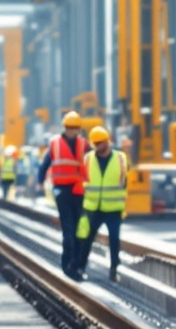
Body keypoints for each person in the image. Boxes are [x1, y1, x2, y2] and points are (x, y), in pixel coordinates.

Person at [77, 125, 128, 281]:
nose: (98, 146)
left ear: (107, 142)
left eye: (101, 142)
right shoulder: (88, 158)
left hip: (113, 208)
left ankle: (114, 269)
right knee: (86, 238)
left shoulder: (120, 158)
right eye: (96, 143)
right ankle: (80, 267)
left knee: (114, 240)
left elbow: (124, 181)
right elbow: (82, 180)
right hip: (93, 208)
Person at [41, 110, 89, 250]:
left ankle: (74, 262)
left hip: (79, 190)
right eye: (69, 127)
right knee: (68, 229)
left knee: (78, 228)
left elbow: (92, 164)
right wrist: (40, 181)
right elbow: (45, 164)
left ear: (78, 129)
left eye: (74, 128)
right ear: (64, 127)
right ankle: (68, 261)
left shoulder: (84, 144)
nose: (71, 131)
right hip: (62, 191)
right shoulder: (55, 144)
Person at [0, 134, 21, 202]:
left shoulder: (3, 161)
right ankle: (10, 200)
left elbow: (1, 169)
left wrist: (0, 176)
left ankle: (5, 199)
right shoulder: (13, 161)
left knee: (5, 190)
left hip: (4, 178)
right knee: (11, 190)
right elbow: (15, 169)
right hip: (11, 178)